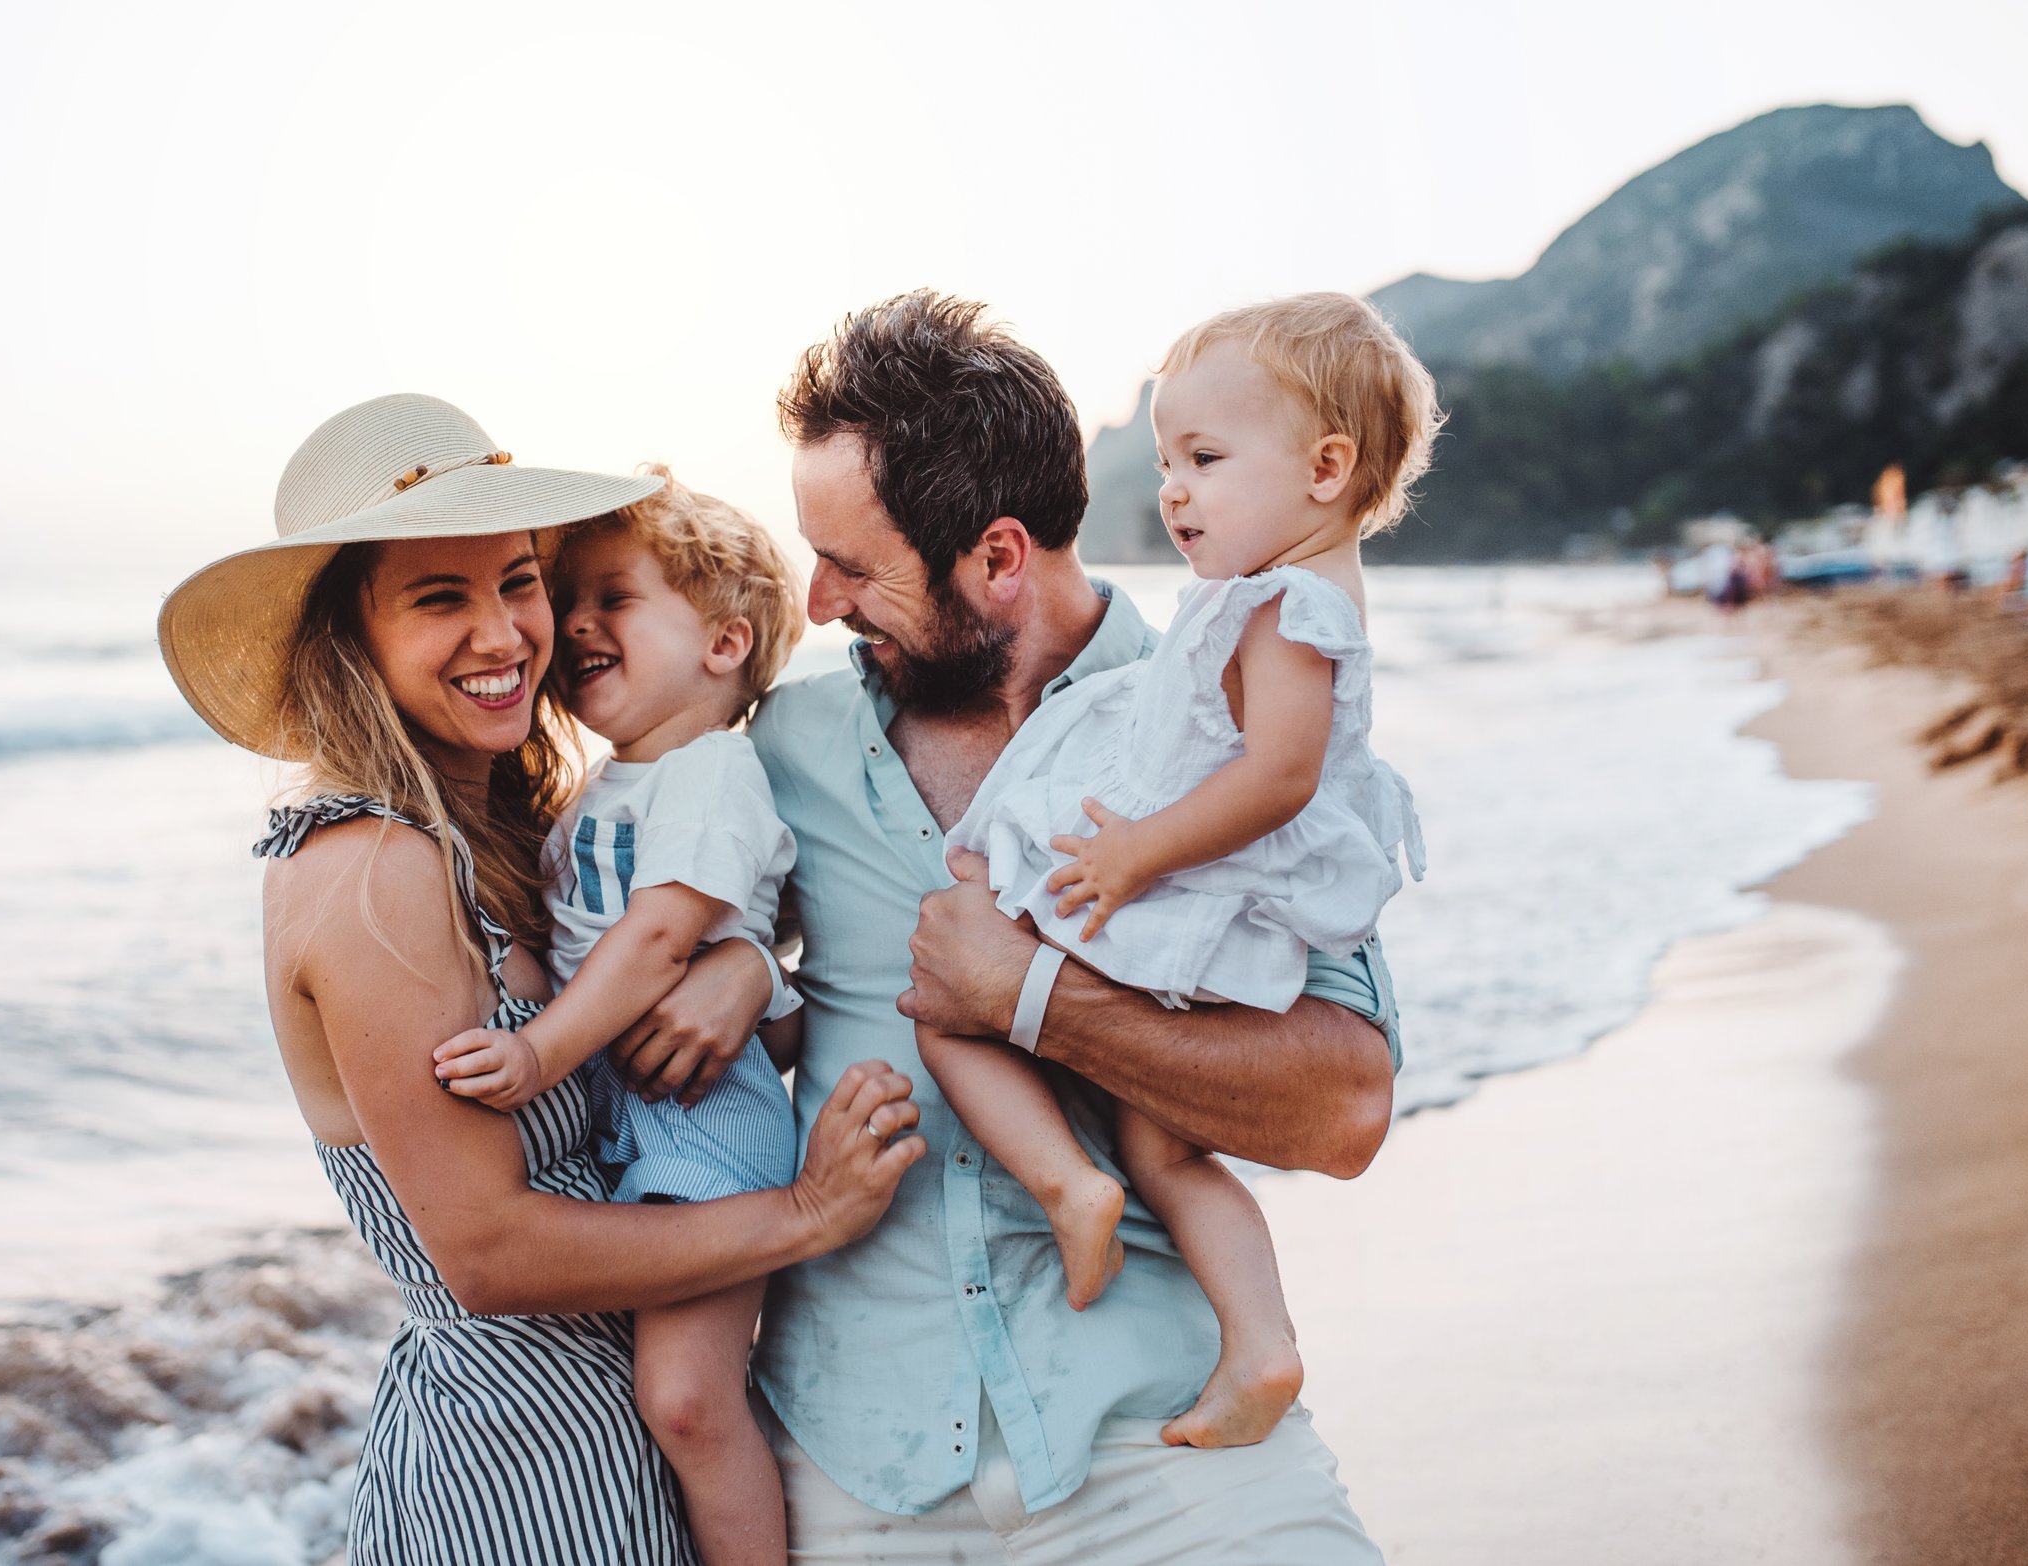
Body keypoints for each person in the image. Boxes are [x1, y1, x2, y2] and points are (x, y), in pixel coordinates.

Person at [155, 394, 924, 1566]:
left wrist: (741, 972)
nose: (507, 633)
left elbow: (649, 991)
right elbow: (490, 1254)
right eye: (437, 597)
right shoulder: (370, 870)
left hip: (626, 1450)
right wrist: (806, 1214)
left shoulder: (513, 837)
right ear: (348, 637)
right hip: (516, 1480)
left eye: (518, 582)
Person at [739, 293, 1401, 1562]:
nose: (817, 605)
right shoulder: (781, 751)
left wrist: (1033, 997)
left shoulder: (1229, 722)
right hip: (856, 1465)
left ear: (996, 558)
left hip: (1166, 1439)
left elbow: (1346, 1110)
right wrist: (725, 979)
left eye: (855, 566)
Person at [929, 293, 1433, 1451]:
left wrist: (1132, 854)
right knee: (1163, 1140)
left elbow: (1278, 778)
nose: (1173, 490)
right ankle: (1259, 1345)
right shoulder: (1279, 594)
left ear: (1325, 467)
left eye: (1204, 458)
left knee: (952, 1004)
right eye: (1166, 461)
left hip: (1189, 888)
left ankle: (1067, 1186)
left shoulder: (1291, 606)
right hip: (1205, 890)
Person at [429, 471, 808, 1566]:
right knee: (668, 1393)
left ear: (724, 644)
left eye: (615, 598)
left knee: (686, 1401)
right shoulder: (606, 790)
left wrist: (540, 1049)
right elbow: (560, 942)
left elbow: (653, 941)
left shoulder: (709, 772)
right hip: (625, 1114)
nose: (576, 623)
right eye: (570, 597)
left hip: (703, 1118)